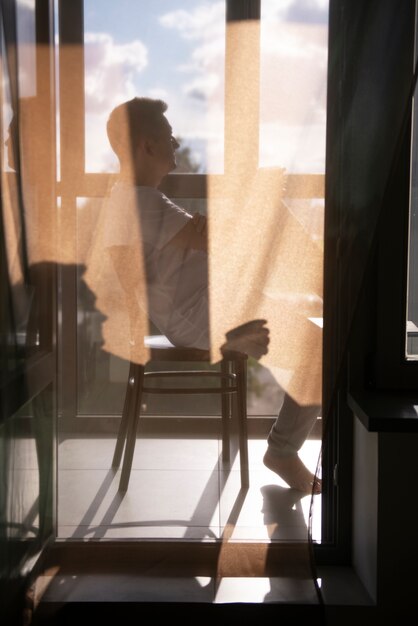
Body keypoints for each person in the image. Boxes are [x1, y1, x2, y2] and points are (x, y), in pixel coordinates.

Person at [102, 96, 321, 495]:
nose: (176, 143)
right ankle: (283, 450)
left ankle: (320, 281)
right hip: (204, 318)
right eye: (168, 136)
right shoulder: (142, 202)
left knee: (306, 318)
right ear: (146, 146)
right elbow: (215, 240)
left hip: (203, 310)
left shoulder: (129, 200)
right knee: (320, 351)